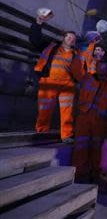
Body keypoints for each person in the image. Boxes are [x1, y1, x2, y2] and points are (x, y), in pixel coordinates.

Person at [30, 14, 80, 143]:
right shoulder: (51, 47)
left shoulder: (76, 54)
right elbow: (35, 39)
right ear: (63, 38)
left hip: (67, 85)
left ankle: (67, 135)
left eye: (73, 38)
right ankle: (42, 132)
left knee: (67, 111)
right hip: (49, 81)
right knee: (45, 109)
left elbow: (80, 71)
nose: (70, 39)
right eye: (68, 37)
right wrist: (38, 24)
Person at [72, 61, 107, 182]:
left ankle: (94, 173)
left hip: (100, 119)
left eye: (104, 68)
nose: (101, 69)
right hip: (84, 115)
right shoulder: (87, 78)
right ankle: (78, 173)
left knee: (96, 148)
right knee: (81, 145)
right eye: (99, 67)